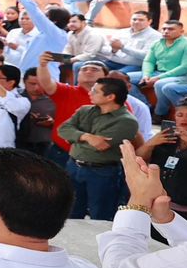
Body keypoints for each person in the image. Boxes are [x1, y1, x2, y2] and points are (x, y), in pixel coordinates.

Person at [58, 76, 139, 221]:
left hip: (102, 172)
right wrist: (87, 137)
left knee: (101, 215)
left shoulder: (127, 121)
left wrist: (74, 138)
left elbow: (99, 147)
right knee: (70, 212)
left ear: (110, 97)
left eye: (95, 91)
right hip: (73, 167)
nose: (90, 93)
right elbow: (62, 129)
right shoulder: (85, 110)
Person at [135, 20, 187, 116]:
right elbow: (149, 61)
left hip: (183, 75)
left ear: (181, 31)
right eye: (164, 29)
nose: (166, 31)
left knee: (160, 84)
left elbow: (185, 67)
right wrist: (146, 75)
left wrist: (159, 77)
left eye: (170, 29)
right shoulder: (157, 43)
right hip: (158, 73)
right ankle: (146, 107)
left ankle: (160, 114)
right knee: (125, 78)